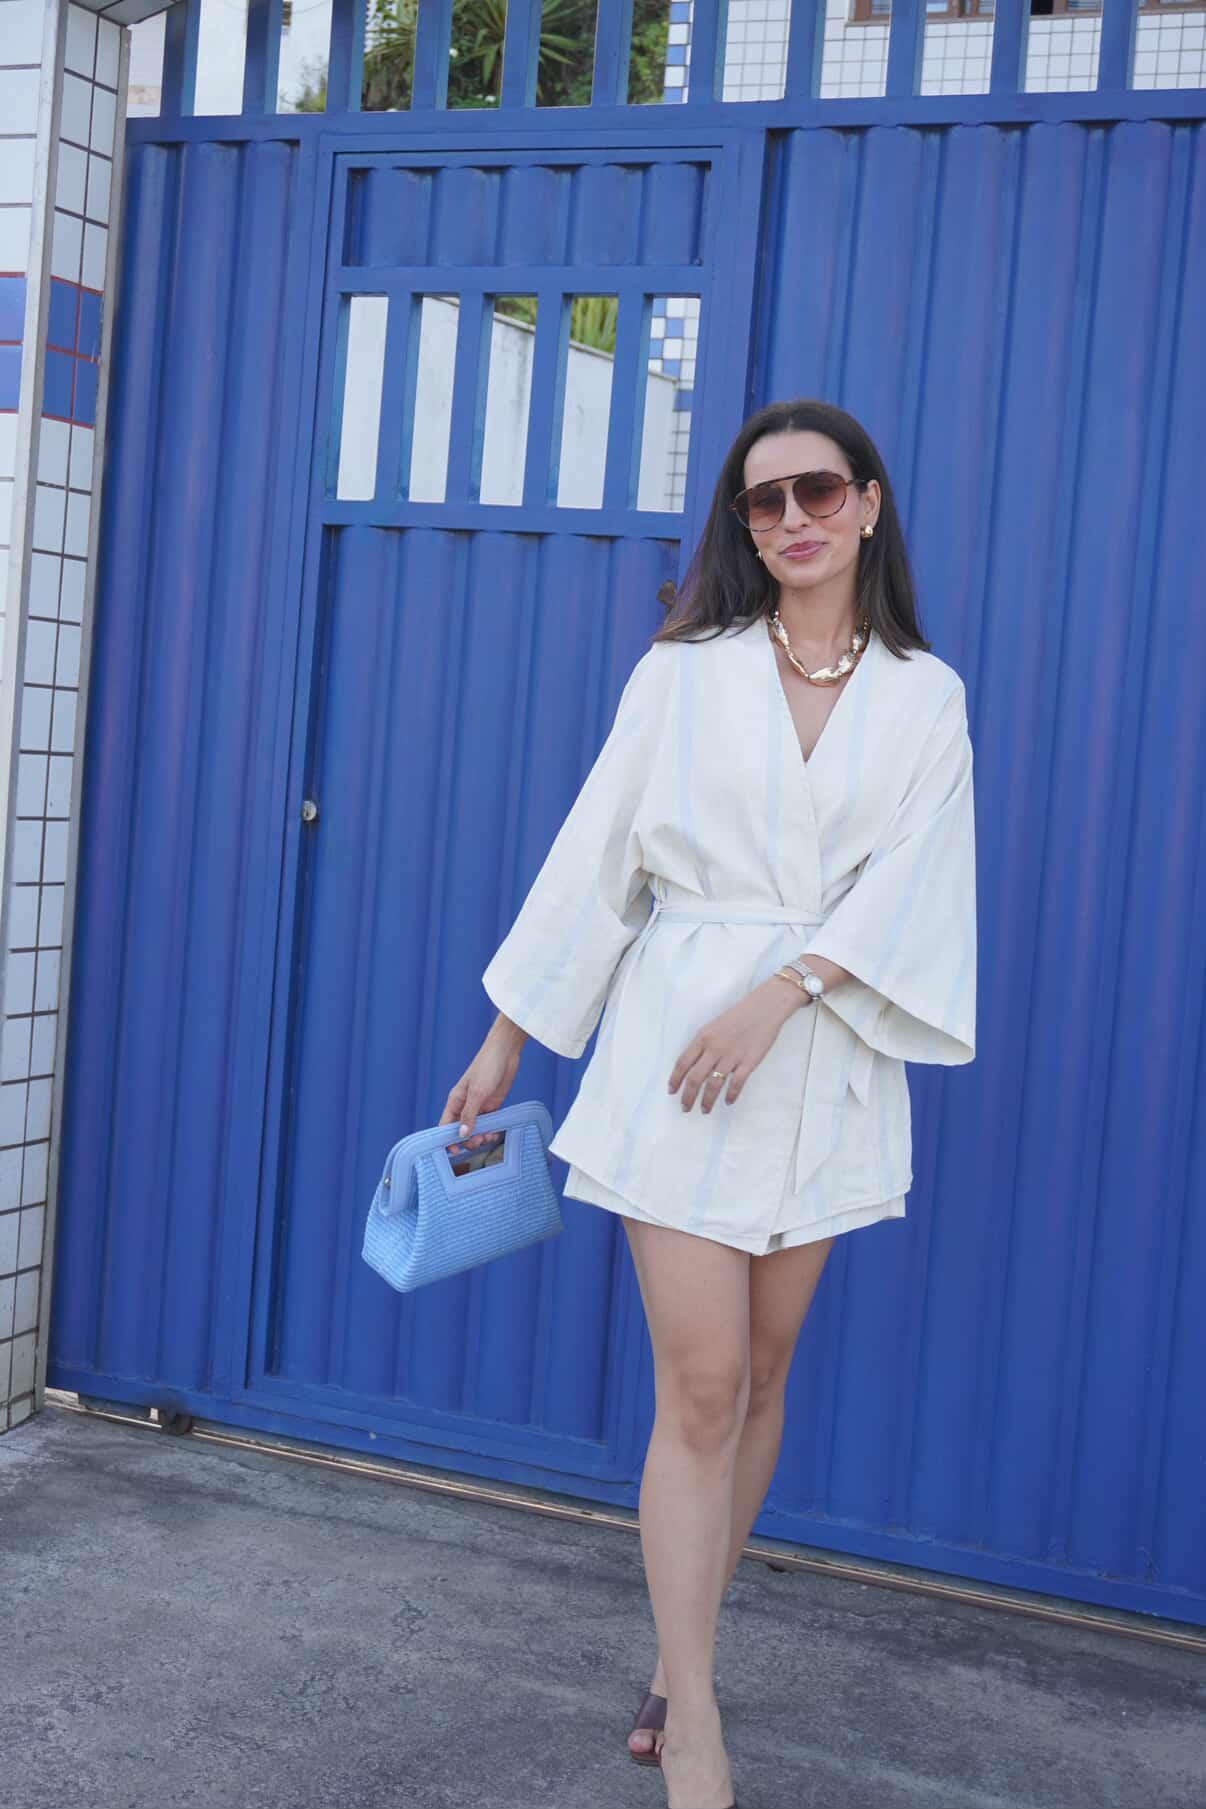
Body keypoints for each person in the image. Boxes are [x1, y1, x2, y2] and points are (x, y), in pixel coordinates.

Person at [440, 397, 978, 1809]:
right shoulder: (684, 672)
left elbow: (916, 884)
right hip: (675, 1059)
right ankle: (696, 1725)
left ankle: (679, 1660)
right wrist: (507, 1040)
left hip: (821, 1054)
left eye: (818, 490)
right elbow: (597, 857)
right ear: (743, 524)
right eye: (763, 500)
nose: (792, 519)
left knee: (766, 1376)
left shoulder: (924, 695)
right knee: (703, 1383)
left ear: (868, 503)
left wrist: (782, 991)